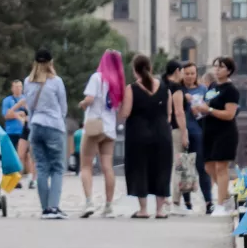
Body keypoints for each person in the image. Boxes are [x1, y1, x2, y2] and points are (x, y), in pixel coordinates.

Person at [119, 54, 173, 218]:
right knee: (162, 168)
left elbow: (126, 112)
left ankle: (143, 210)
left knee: (139, 168)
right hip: (162, 132)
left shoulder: (132, 88)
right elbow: (169, 114)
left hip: (138, 134)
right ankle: (159, 210)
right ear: (150, 68)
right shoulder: (165, 88)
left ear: (135, 71)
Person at [24, 48, 70, 219]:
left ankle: (45, 209)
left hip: (35, 126)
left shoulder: (27, 82)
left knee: (42, 167)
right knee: (57, 168)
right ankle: (53, 207)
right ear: (51, 62)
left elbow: (29, 108)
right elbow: (63, 107)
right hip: (54, 126)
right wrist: (59, 119)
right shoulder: (56, 81)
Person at [78, 49, 124, 217]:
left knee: (86, 165)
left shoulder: (97, 77)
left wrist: (82, 103)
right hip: (109, 128)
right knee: (107, 167)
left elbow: (90, 99)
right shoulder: (118, 82)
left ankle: (89, 202)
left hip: (93, 125)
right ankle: (109, 205)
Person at [193, 56, 240, 214]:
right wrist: (200, 108)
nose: (217, 69)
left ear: (229, 70)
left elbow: (229, 114)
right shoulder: (213, 86)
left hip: (225, 132)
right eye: (215, 66)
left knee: (221, 167)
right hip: (209, 130)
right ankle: (226, 196)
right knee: (208, 166)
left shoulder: (231, 90)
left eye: (221, 67)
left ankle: (220, 205)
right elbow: (207, 103)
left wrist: (210, 111)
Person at [180, 61, 213, 211]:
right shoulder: (178, 90)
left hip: (199, 132)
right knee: (185, 168)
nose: (190, 76)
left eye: (192, 73)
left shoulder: (203, 89)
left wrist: (201, 108)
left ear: (196, 74)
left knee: (201, 167)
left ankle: (208, 201)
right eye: (187, 73)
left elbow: (211, 106)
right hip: (183, 132)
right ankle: (187, 202)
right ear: (182, 74)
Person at [162, 60, 194, 215]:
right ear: (177, 71)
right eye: (182, 71)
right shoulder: (176, 88)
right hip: (175, 129)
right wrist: (184, 132)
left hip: (161, 129)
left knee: (166, 166)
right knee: (179, 164)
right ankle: (175, 201)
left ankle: (164, 201)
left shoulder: (161, 86)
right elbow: (179, 112)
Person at [1, 79, 34, 185]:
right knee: (16, 156)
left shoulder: (26, 100)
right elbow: (6, 115)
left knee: (28, 155)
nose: (18, 88)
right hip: (12, 131)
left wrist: (18, 114)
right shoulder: (7, 100)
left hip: (25, 130)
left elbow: (31, 114)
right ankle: (17, 179)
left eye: (20, 86)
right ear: (12, 88)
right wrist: (18, 114)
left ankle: (31, 177)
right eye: (16, 86)